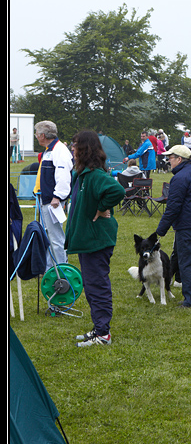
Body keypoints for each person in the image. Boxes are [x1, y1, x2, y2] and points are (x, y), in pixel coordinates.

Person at [65, 130, 126, 347]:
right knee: (91, 287)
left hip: (96, 241)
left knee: (97, 286)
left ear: (84, 149)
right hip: (87, 241)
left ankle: (103, 334)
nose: (72, 150)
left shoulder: (96, 175)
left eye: (74, 146)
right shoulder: (82, 175)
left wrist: (102, 209)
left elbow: (117, 190)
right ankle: (98, 328)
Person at [155, 145, 191, 309]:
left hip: (189, 226)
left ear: (179, 159)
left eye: (170, 158)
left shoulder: (180, 178)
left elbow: (173, 207)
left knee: (188, 263)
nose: (168, 161)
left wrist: (161, 230)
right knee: (187, 259)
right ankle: (190, 296)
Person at [34, 120, 74, 270]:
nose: (36, 137)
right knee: (48, 236)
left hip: (53, 202)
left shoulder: (59, 150)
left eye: (37, 134)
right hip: (46, 200)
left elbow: (63, 176)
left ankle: (63, 268)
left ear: (43, 135)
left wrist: (57, 196)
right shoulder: (49, 150)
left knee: (56, 237)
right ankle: (50, 268)